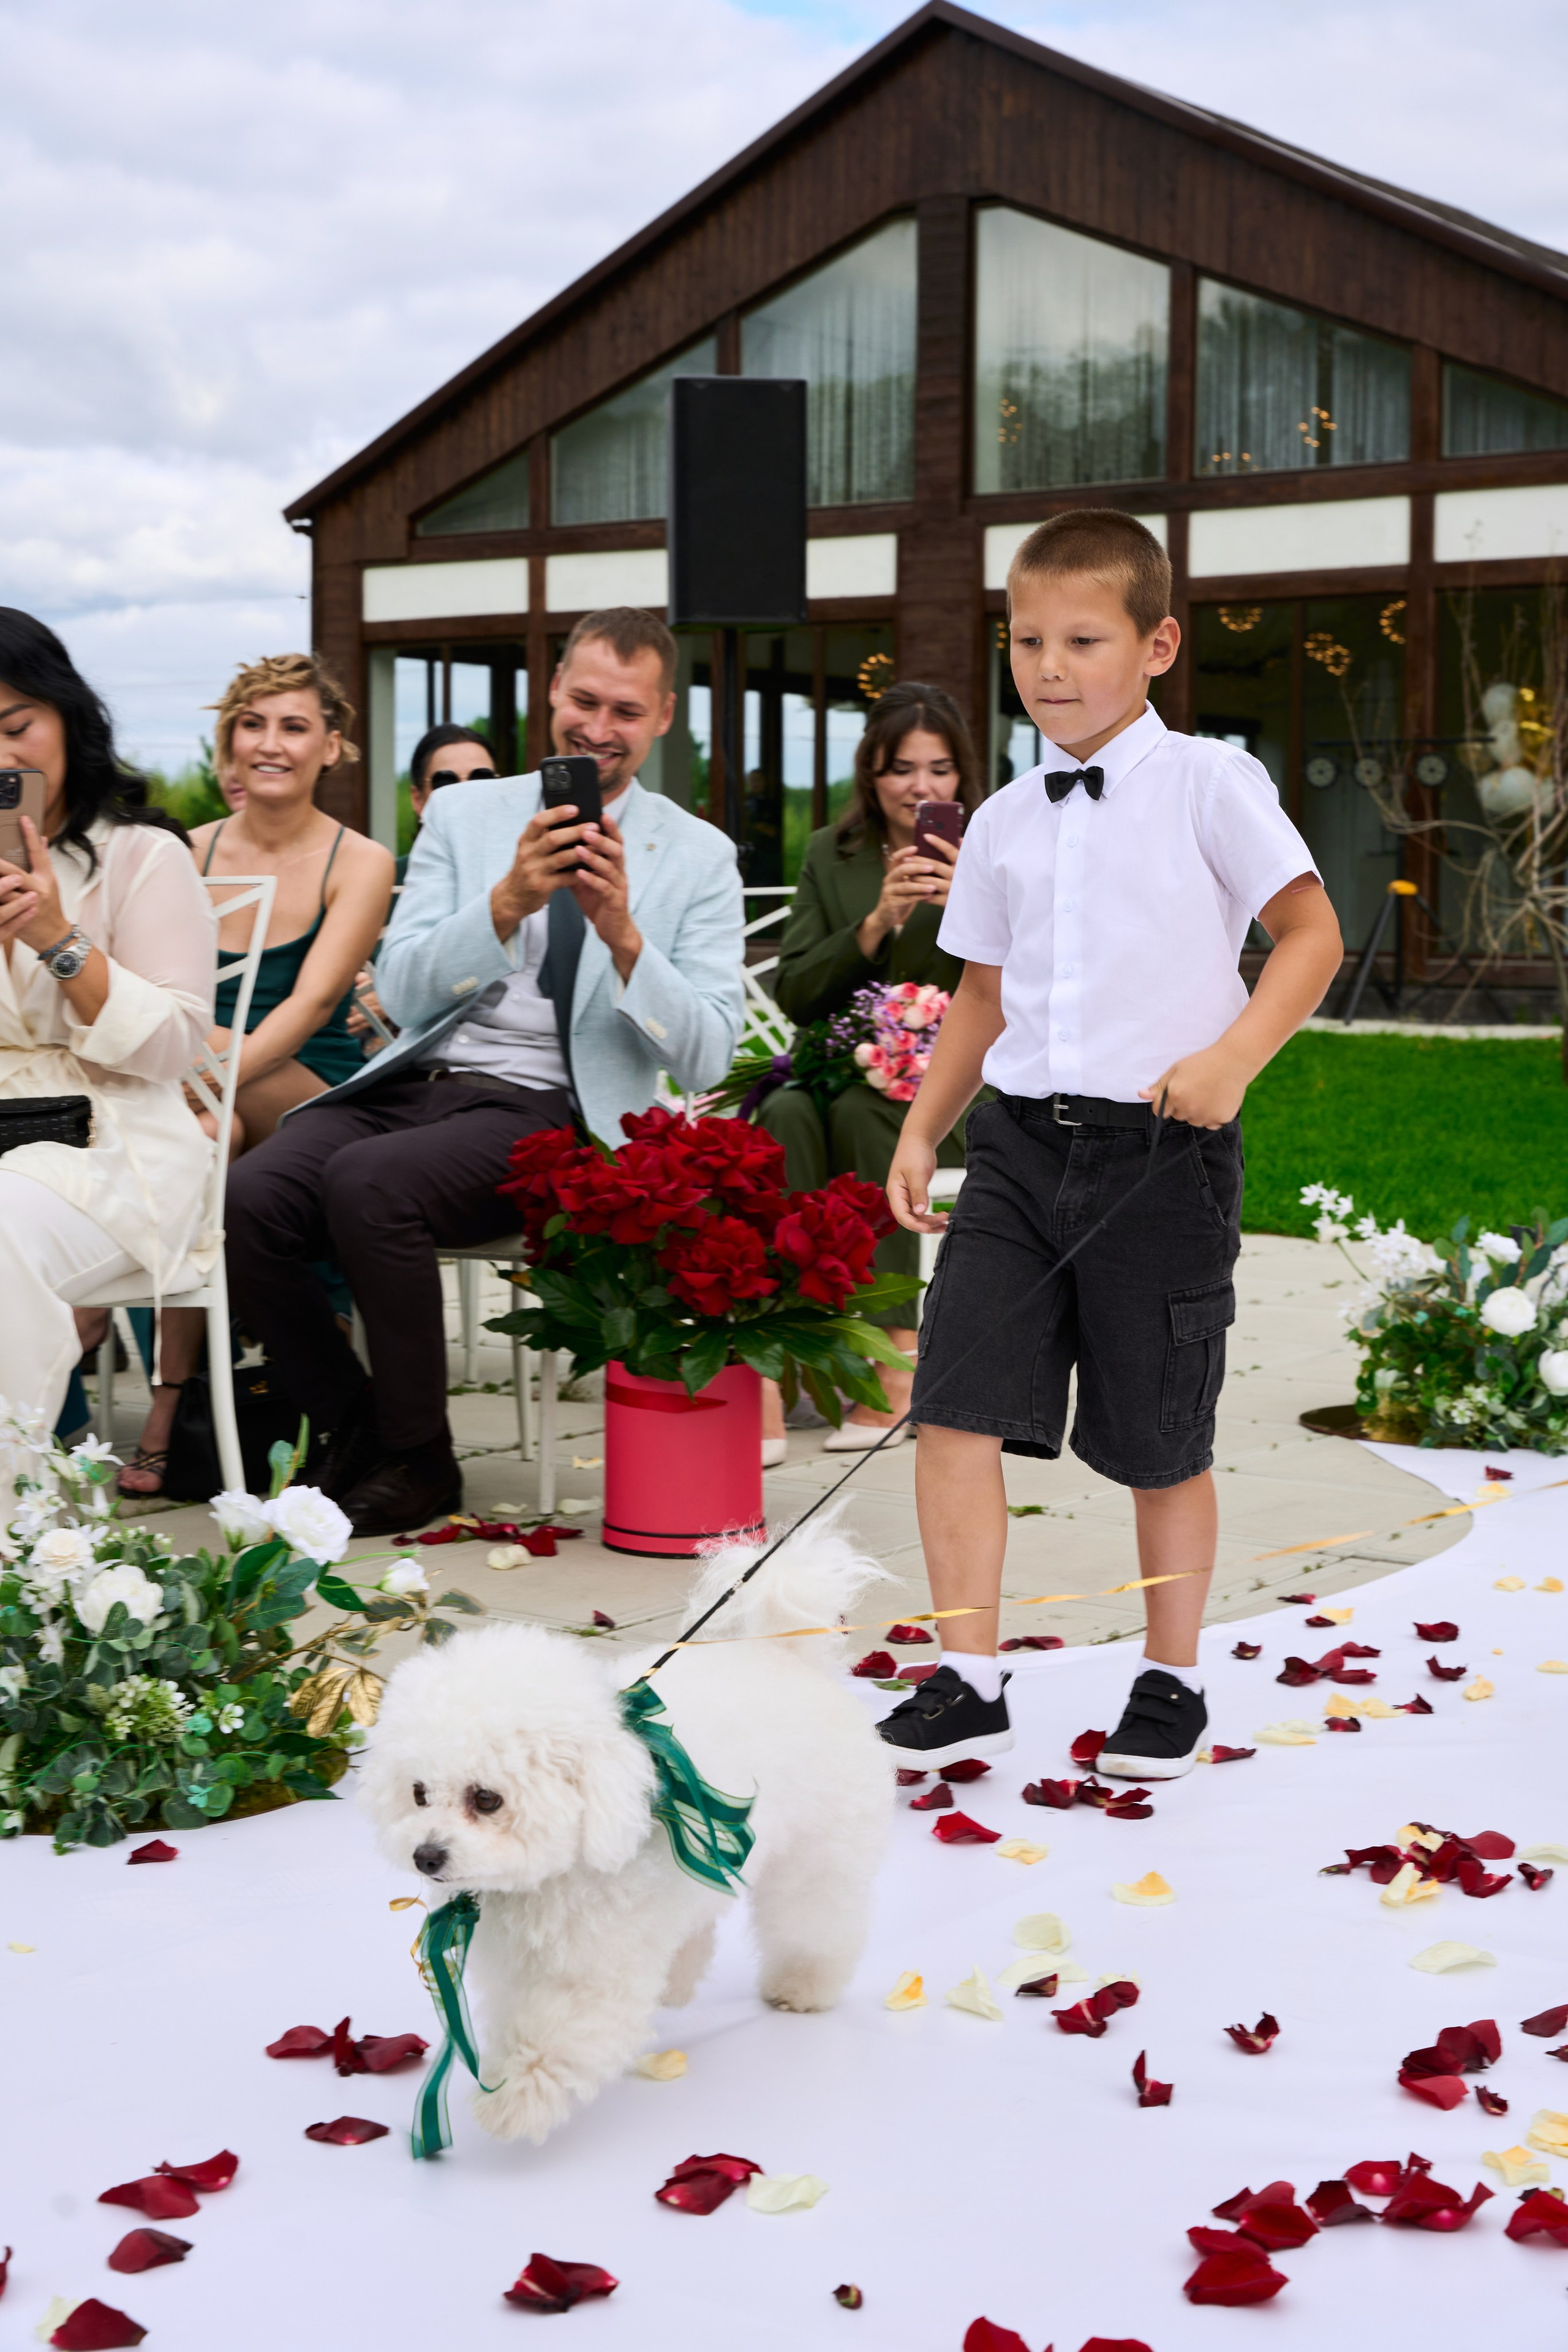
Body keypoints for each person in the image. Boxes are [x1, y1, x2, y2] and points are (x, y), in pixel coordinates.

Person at [879, 511, 1343, 1779]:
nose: (1048, 665)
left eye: (1083, 638)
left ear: (1156, 646)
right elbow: (979, 995)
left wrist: (1229, 1058)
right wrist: (925, 1124)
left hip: (1160, 1156)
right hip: (1020, 1153)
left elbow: (1309, 937)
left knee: (1156, 1434)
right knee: (952, 1411)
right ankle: (966, 1673)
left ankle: (1170, 1676)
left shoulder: (1209, 782)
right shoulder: (1004, 820)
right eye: (1027, 638)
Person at [224, 606, 747, 1537]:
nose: (598, 727)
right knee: (250, 1194)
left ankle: (414, 1455)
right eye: (583, 700)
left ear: (664, 716)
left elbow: (708, 1051)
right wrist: (506, 903)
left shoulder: (697, 855)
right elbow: (404, 984)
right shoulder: (467, 816)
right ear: (554, 692)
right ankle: (371, 1436)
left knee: (366, 1183)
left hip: (558, 1114)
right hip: (423, 1086)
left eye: (626, 711)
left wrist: (623, 932)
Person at [118, 654, 395, 1496]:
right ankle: (189, 1396)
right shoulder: (179, 853)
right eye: (252, 724)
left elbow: (312, 1007)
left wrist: (205, 1064)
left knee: (208, 1115)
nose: (269, 743)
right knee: (209, 1135)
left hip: (315, 1091)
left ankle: (165, 1395)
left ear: (333, 748)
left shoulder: (363, 860)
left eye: (293, 726)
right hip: (207, 1093)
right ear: (228, 743)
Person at [0, 609, 216, 1444]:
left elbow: (174, 1044)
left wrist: (57, 938)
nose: (4, 757)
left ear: (67, 716)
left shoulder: (143, 855)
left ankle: (17, 1516)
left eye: (18, 726)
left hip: (114, 1142)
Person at [758, 682, 985, 1463]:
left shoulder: (992, 853)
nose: (921, 787)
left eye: (940, 770)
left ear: (962, 778)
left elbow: (1033, 984)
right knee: (783, 1112)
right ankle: (780, 1342)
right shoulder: (834, 852)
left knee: (862, 1115)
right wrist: (877, 921)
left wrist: (974, 910)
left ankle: (894, 1355)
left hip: (952, 1095)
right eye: (900, 769)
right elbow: (794, 992)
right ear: (871, 775)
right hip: (841, 1070)